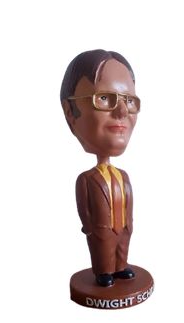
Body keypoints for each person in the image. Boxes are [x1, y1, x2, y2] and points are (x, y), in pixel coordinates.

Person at [60, 49, 141, 287]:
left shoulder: (123, 176)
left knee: (121, 247)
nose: (122, 111)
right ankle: (104, 271)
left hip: (123, 227)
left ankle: (120, 266)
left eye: (129, 100)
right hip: (101, 230)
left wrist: (129, 224)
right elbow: (85, 207)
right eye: (105, 98)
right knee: (103, 249)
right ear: (70, 112)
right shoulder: (87, 179)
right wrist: (89, 227)